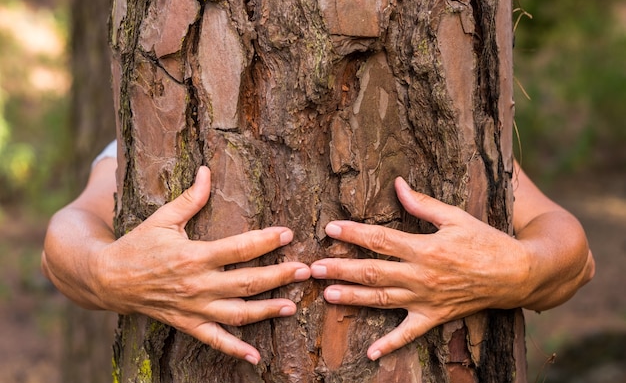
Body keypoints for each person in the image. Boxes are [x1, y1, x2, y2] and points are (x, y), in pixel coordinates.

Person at [41, 141, 595, 365]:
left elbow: (573, 252)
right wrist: (106, 270)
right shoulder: (153, 129)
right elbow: (68, 232)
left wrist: (519, 270)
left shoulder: (460, 125)